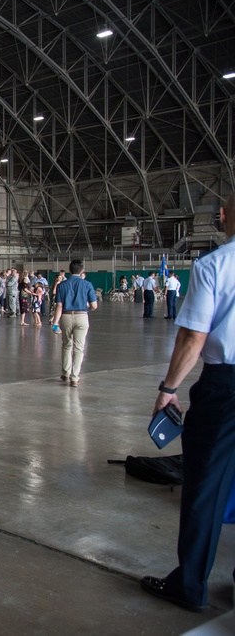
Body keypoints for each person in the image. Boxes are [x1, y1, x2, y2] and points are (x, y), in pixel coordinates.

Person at [141, 193, 235, 613]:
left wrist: (169, 386)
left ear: (225, 215)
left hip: (225, 388)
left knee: (205, 487)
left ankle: (190, 584)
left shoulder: (215, 265)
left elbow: (194, 336)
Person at [50, 259, 97, 388]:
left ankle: (65, 373)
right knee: (79, 348)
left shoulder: (61, 285)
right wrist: (85, 310)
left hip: (65, 317)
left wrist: (55, 324)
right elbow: (94, 305)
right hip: (81, 316)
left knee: (66, 345)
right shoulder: (87, 285)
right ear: (82, 271)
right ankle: (74, 378)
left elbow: (59, 306)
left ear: (69, 270)